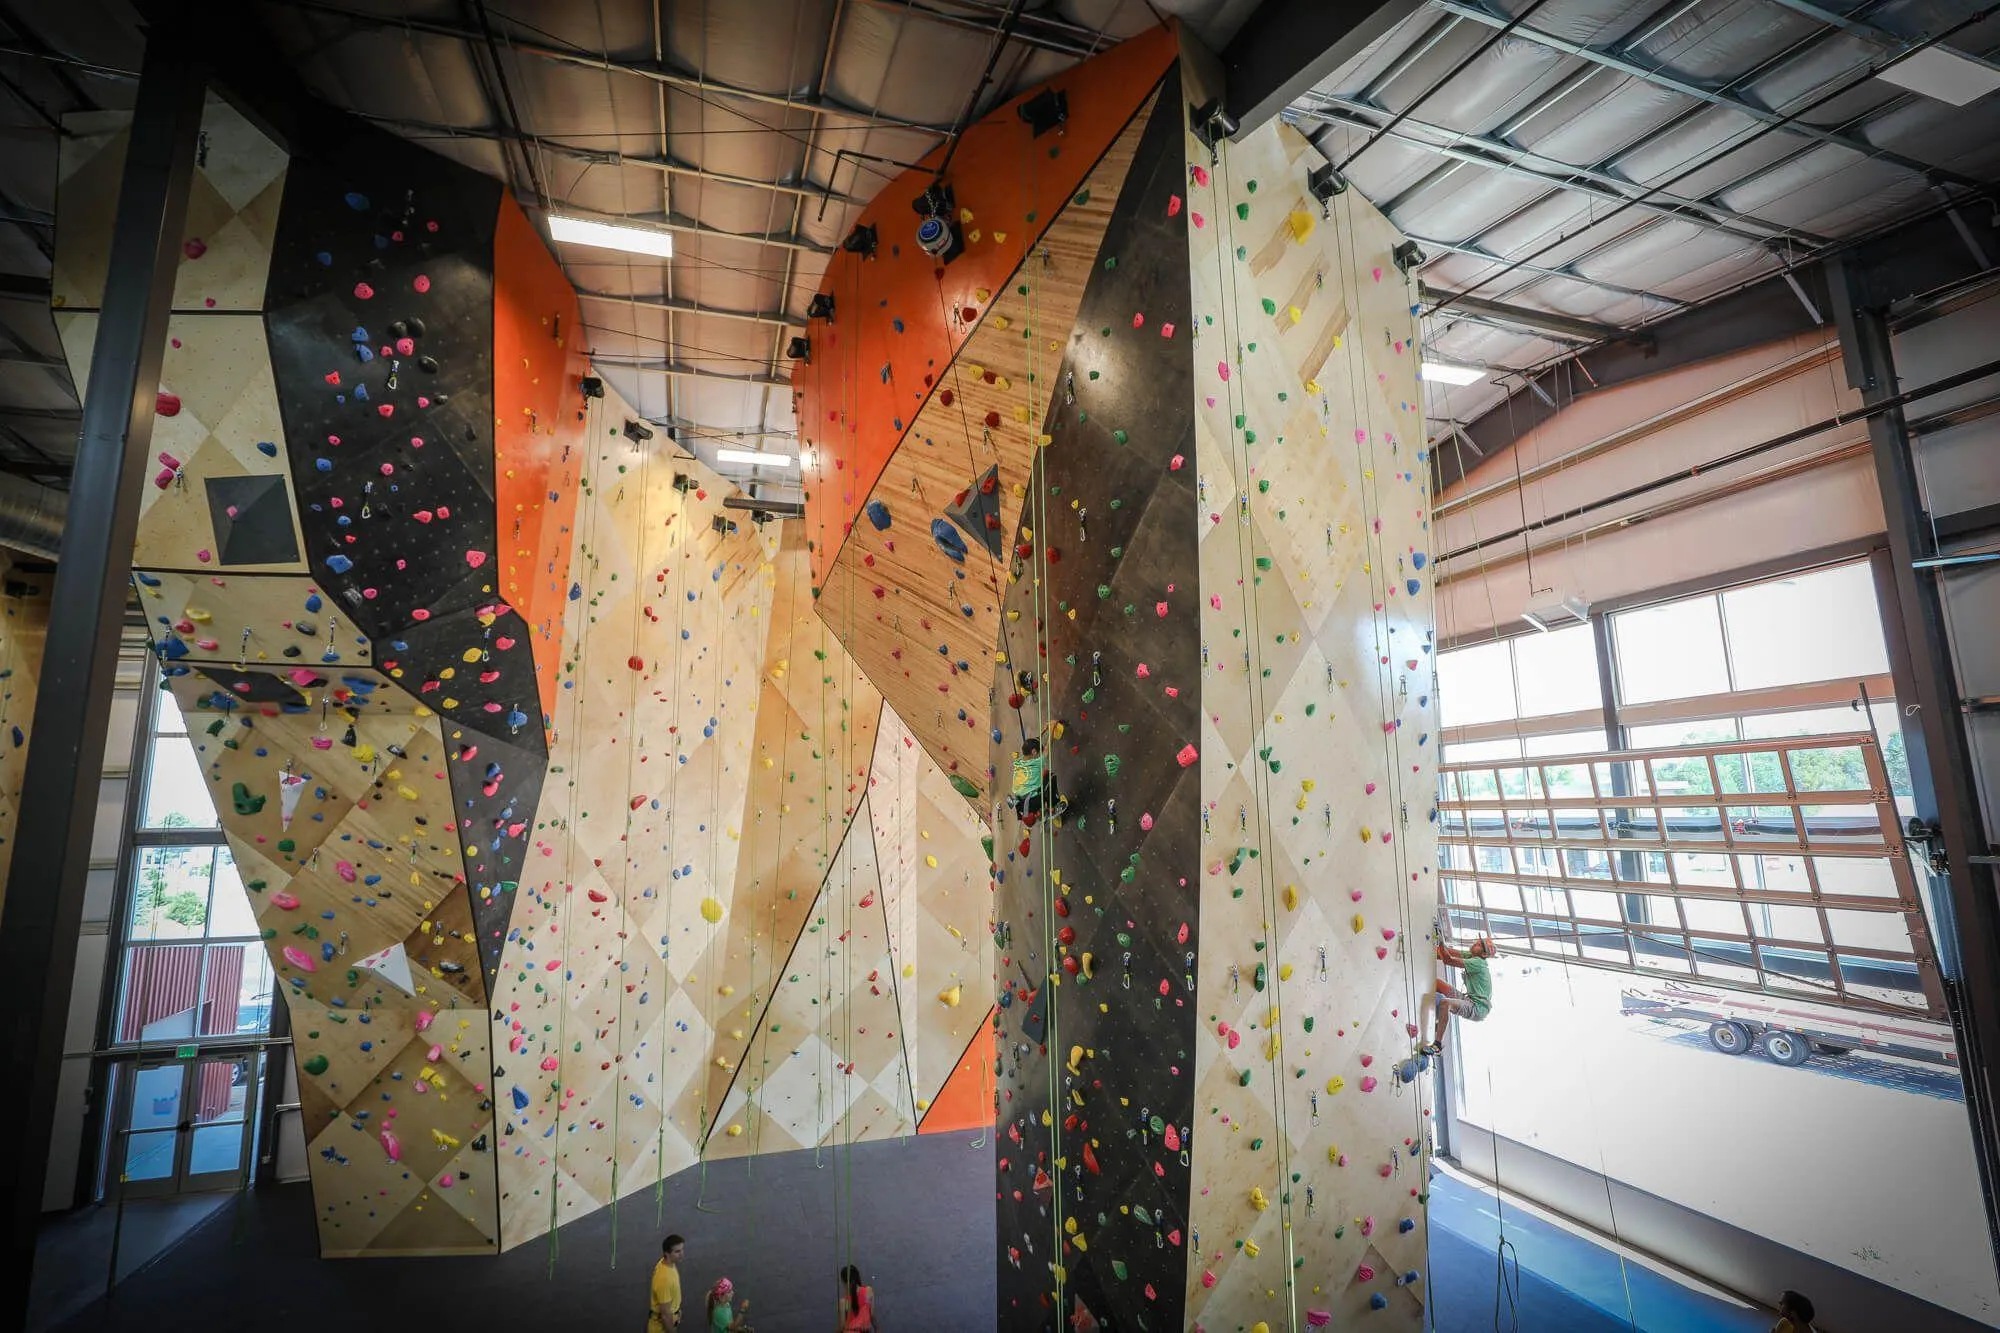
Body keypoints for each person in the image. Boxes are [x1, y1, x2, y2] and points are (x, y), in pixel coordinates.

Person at [1420, 936, 1494, 1056]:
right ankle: (1438, 1018)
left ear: (1484, 954)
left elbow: (1448, 960)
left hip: (1478, 1007)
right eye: (1477, 942)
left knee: (1446, 1003)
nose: (1475, 944)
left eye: (1479, 945)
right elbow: (1446, 953)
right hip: (1469, 998)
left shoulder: (1478, 962)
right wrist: (1427, 950)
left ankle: (1437, 1045)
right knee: (1437, 984)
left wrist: (1441, 941)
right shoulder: (1472, 955)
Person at [1010, 735, 1069, 827]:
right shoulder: (1036, 762)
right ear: (1033, 752)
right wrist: (1052, 728)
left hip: (1021, 802)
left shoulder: (1019, 762)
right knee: (1050, 778)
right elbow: (1046, 750)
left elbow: (1033, 743)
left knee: (1044, 775)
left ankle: (1043, 811)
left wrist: (1044, 731)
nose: (1039, 756)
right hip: (1030, 803)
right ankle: (1053, 810)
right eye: (1038, 754)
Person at [647, 1234, 685, 1333]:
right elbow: (665, 1315)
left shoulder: (667, 1263)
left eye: (682, 1250)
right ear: (667, 1254)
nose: (682, 1254)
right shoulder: (664, 1279)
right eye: (677, 1251)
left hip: (671, 1319)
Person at [838, 1263, 878, 1331]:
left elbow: (842, 1326)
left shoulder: (843, 1302)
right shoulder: (869, 1291)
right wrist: (877, 1329)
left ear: (844, 1282)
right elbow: (872, 1315)